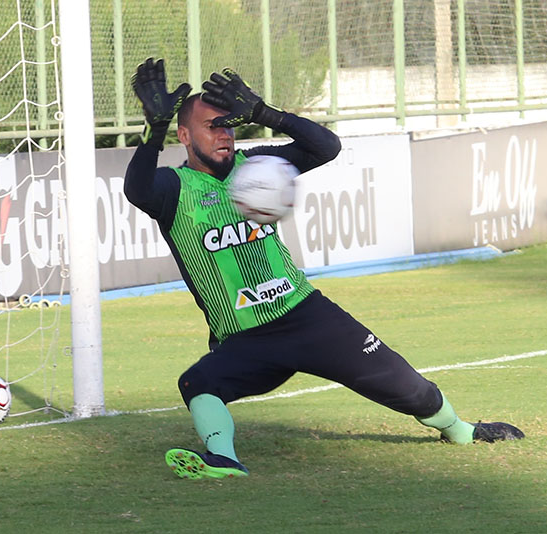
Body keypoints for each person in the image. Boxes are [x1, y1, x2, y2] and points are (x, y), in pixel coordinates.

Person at [124, 58, 524, 480]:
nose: (224, 135)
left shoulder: (256, 165)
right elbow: (137, 188)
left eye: (229, 125)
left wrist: (265, 114)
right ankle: (224, 460)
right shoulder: (173, 188)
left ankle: (460, 431)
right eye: (212, 127)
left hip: (307, 315)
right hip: (246, 336)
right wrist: (153, 132)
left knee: (408, 388)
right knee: (197, 383)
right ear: (184, 135)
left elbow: (325, 147)